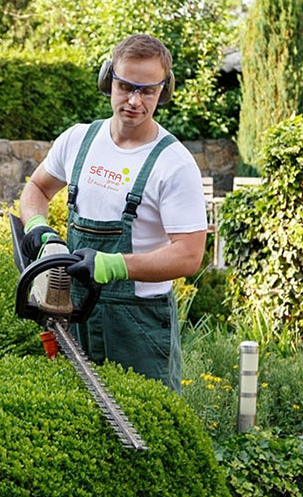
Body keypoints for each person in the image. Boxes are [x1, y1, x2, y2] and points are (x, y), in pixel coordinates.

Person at [18, 34, 207, 393]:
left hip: (138, 325)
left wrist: (112, 265)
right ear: (109, 81)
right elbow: (37, 189)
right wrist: (39, 229)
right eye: (125, 87)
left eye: (147, 91)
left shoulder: (174, 163)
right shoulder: (78, 140)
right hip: (72, 312)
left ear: (163, 92)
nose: (134, 100)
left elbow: (189, 255)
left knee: (149, 427)